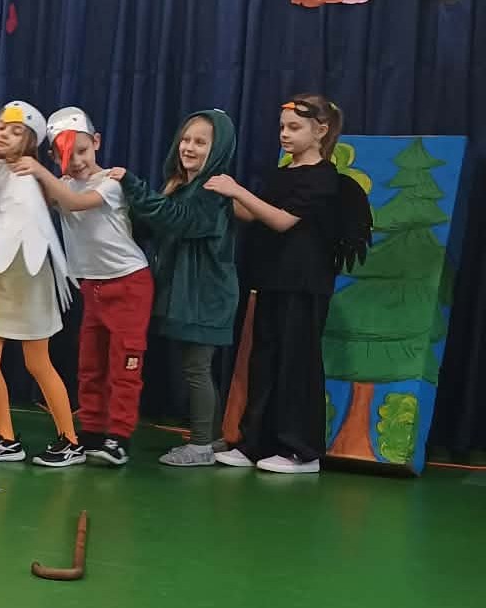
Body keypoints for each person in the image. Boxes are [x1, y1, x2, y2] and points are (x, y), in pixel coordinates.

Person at [205, 96, 370, 474]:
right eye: (282, 127)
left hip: (304, 284)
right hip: (272, 280)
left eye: (294, 127)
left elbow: (282, 220)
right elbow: (255, 213)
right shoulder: (283, 174)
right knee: (264, 361)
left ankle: (302, 450)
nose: (284, 134)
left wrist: (236, 190)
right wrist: (215, 192)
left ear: (321, 131)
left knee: (297, 364)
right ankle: (255, 442)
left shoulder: (323, 177)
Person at [16, 107, 153, 466]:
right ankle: (91, 430)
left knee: (124, 365)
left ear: (97, 143)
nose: (76, 161)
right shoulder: (62, 184)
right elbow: (39, 199)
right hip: (92, 286)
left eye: (82, 151)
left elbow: (75, 203)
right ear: (54, 156)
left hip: (128, 282)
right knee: (90, 364)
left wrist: (42, 173)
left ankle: (118, 437)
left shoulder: (110, 182)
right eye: (66, 154)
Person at [111, 110, 239, 467]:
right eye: (186, 139)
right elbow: (154, 225)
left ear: (217, 149)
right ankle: (211, 438)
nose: (189, 147)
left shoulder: (214, 191)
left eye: (200, 142)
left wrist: (134, 186)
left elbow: (180, 221)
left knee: (197, 367)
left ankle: (200, 444)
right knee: (196, 367)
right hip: (187, 295)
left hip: (205, 296)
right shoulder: (180, 187)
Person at [0, 102, 80, 468]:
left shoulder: (30, 177)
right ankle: (6, 439)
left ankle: (70, 440)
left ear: (30, 143)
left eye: (16, 132)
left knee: (37, 362)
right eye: (1, 126)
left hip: (27, 283)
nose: (4, 134)